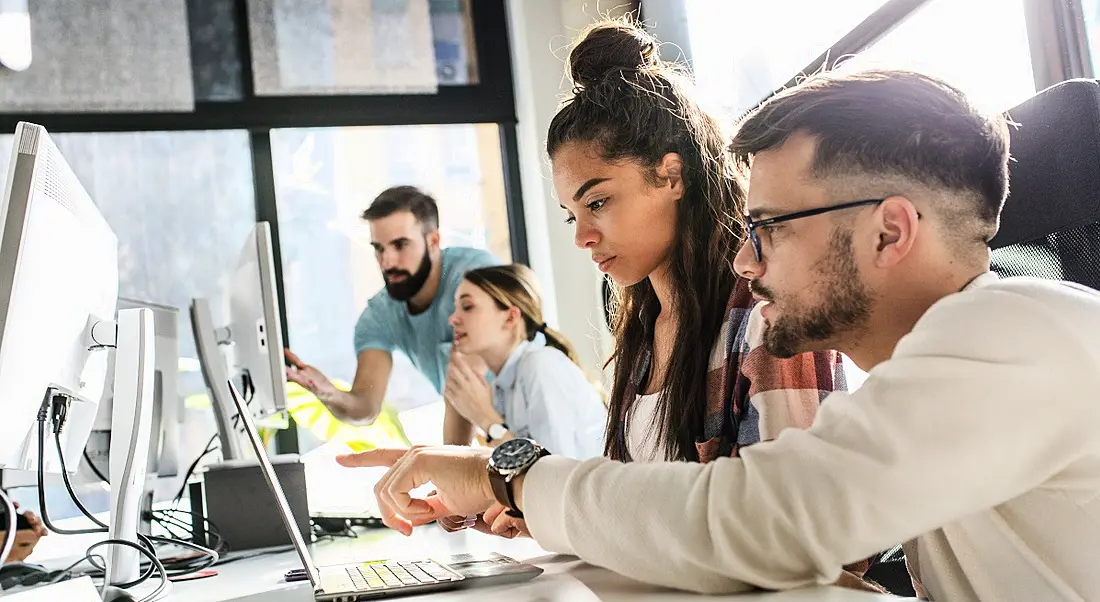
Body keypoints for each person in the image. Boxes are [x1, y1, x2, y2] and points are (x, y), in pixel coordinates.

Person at [336, 69, 1100, 602]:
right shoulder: (949, 366)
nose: (743, 256)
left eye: (768, 228)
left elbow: (764, 518)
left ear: (889, 230)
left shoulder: (1013, 329)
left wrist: (509, 474)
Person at [285, 186, 500, 425]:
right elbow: (365, 407)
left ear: (433, 241)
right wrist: (329, 392)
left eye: (400, 245)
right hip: (496, 438)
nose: (387, 262)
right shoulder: (380, 315)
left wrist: (449, 458)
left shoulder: (475, 277)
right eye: (379, 248)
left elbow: (462, 386)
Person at [443, 263, 605, 458]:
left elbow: (556, 475)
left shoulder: (540, 366)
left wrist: (488, 421)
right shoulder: (499, 389)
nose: (453, 319)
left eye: (467, 306)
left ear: (510, 318)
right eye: (456, 308)